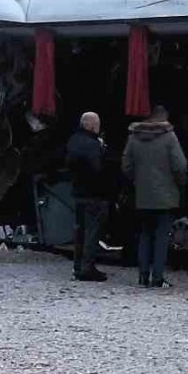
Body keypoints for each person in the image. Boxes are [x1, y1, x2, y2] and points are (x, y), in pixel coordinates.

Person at [123, 106, 187, 289]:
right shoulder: (169, 137)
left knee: (144, 235)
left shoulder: (134, 137)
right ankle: (157, 277)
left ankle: (143, 276)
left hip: (142, 195)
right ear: (164, 117)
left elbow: (126, 165)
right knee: (161, 237)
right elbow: (180, 165)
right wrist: (179, 183)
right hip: (166, 195)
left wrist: (137, 181)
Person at [66, 111, 110, 282]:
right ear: (91, 125)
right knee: (92, 232)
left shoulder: (73, 140)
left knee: (79, 231)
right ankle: (87, 267)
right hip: (94, 194)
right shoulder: (93, 144)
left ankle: (77, 266)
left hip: (78, 192)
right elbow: (98, 169)